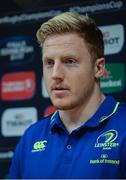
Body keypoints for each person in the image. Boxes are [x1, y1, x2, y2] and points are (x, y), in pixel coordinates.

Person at [9, 12, 126, 179]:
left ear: (98, 68)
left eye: (69, 61)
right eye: (49, 63)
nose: (56, 74)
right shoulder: (30, 138)